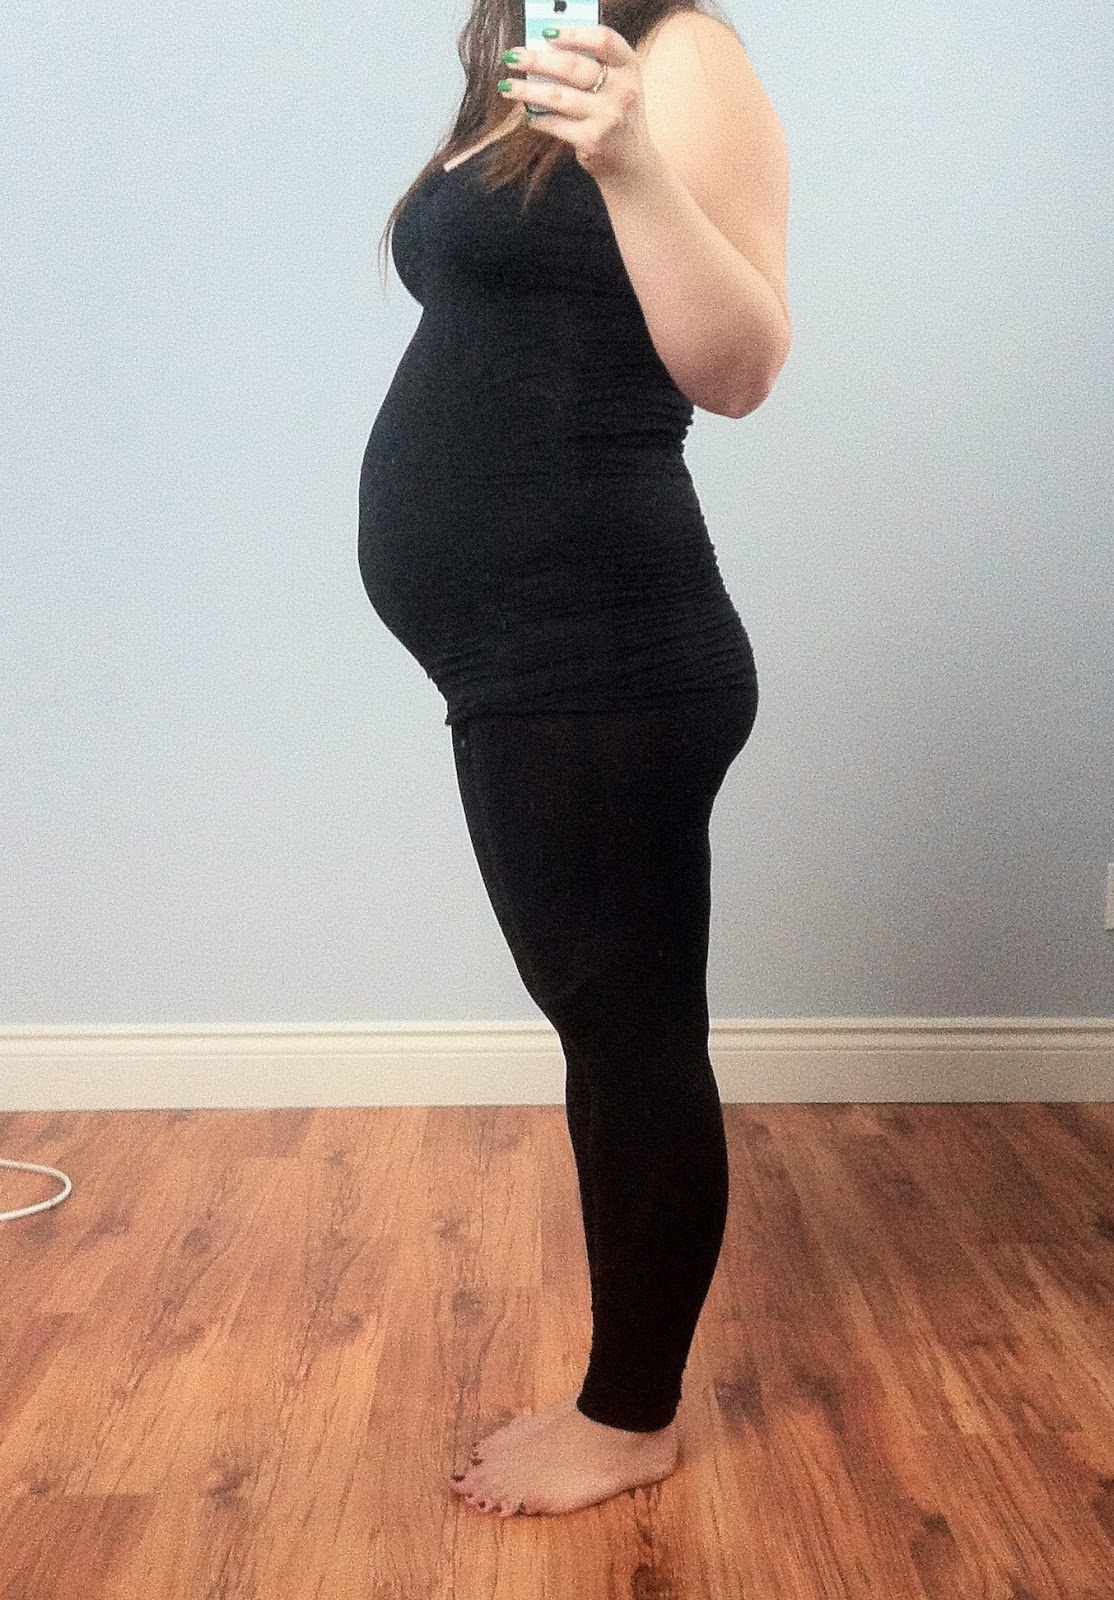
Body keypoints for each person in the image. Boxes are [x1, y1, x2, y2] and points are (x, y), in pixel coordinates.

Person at [358, 1, 791, 1518]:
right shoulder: (514, 49)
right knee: (605, 1025)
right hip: (525, 652)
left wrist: (630, 163)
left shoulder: (682, 56)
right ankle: (630, 1394)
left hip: (602, 645)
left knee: (628, 1038)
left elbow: (740, 367)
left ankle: (630, 1416)